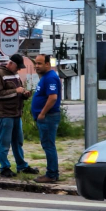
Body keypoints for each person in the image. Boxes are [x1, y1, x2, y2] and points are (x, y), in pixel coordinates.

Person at [0, 54, 39, 178]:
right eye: (17, 67)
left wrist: (24, 94)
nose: (18, 70)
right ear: (11, 64)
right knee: (4, 142)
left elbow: (18, 90)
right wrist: (16, 91)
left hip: (16, 113)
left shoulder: (15, 74)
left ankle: (22, 166)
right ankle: (4, 167)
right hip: (5, 114)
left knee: (18, 141)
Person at [31, 54, 62, 184]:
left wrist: (42, 113)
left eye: (40, 64)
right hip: (46, 117)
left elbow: (53, 97)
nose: (37, 66)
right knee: (47, 145)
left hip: (48, 117)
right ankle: (52, 172)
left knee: (49, 146)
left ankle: (52, 174)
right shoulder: (46, 77)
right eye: (36, 64)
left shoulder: (50, 78)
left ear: (48, 64)